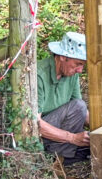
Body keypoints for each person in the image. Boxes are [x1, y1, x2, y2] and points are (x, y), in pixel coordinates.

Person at [37, 32, 90, 165]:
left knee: (80, 106)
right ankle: (55, 158)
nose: (80, 70)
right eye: (77, 64)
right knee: (79, 106)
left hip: (58, 130)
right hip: (40, 134)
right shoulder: (38, 75)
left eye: (82, 65)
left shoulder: (72, 74)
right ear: (62, 57)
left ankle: (62, 156)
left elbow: (83, 114)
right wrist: (72, 138)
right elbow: (34, 124)